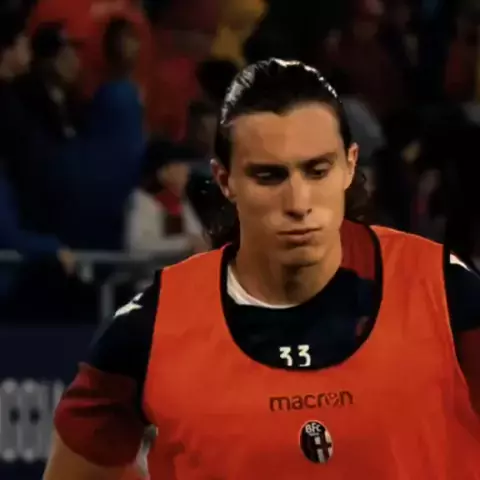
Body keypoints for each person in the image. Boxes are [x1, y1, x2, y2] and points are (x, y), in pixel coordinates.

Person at [44, 59, 480, 479]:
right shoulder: (151, 326)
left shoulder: (444, 290)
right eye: (269, 176)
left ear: (350, 165)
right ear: (225, 181)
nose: (298, 203)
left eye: (317, 170)